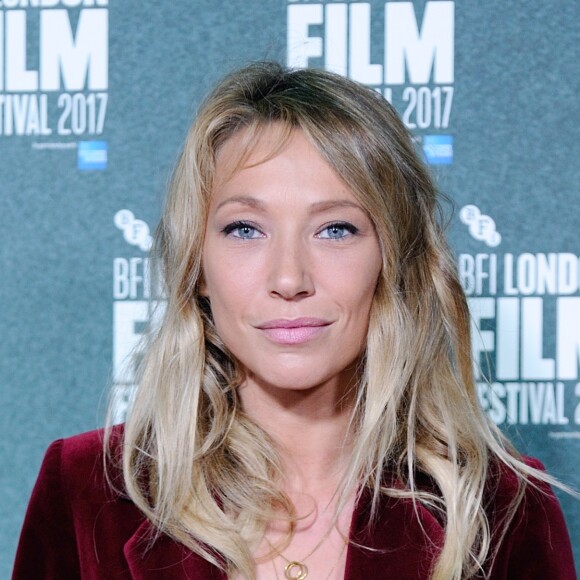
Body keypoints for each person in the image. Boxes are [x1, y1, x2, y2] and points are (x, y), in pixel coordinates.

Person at [13, 62, 575, 580]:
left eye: (335, 229)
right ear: (197, 266)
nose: (289, 278)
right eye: (244, 229)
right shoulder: (84, 489)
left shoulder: (505, 507)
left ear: (393, 262)